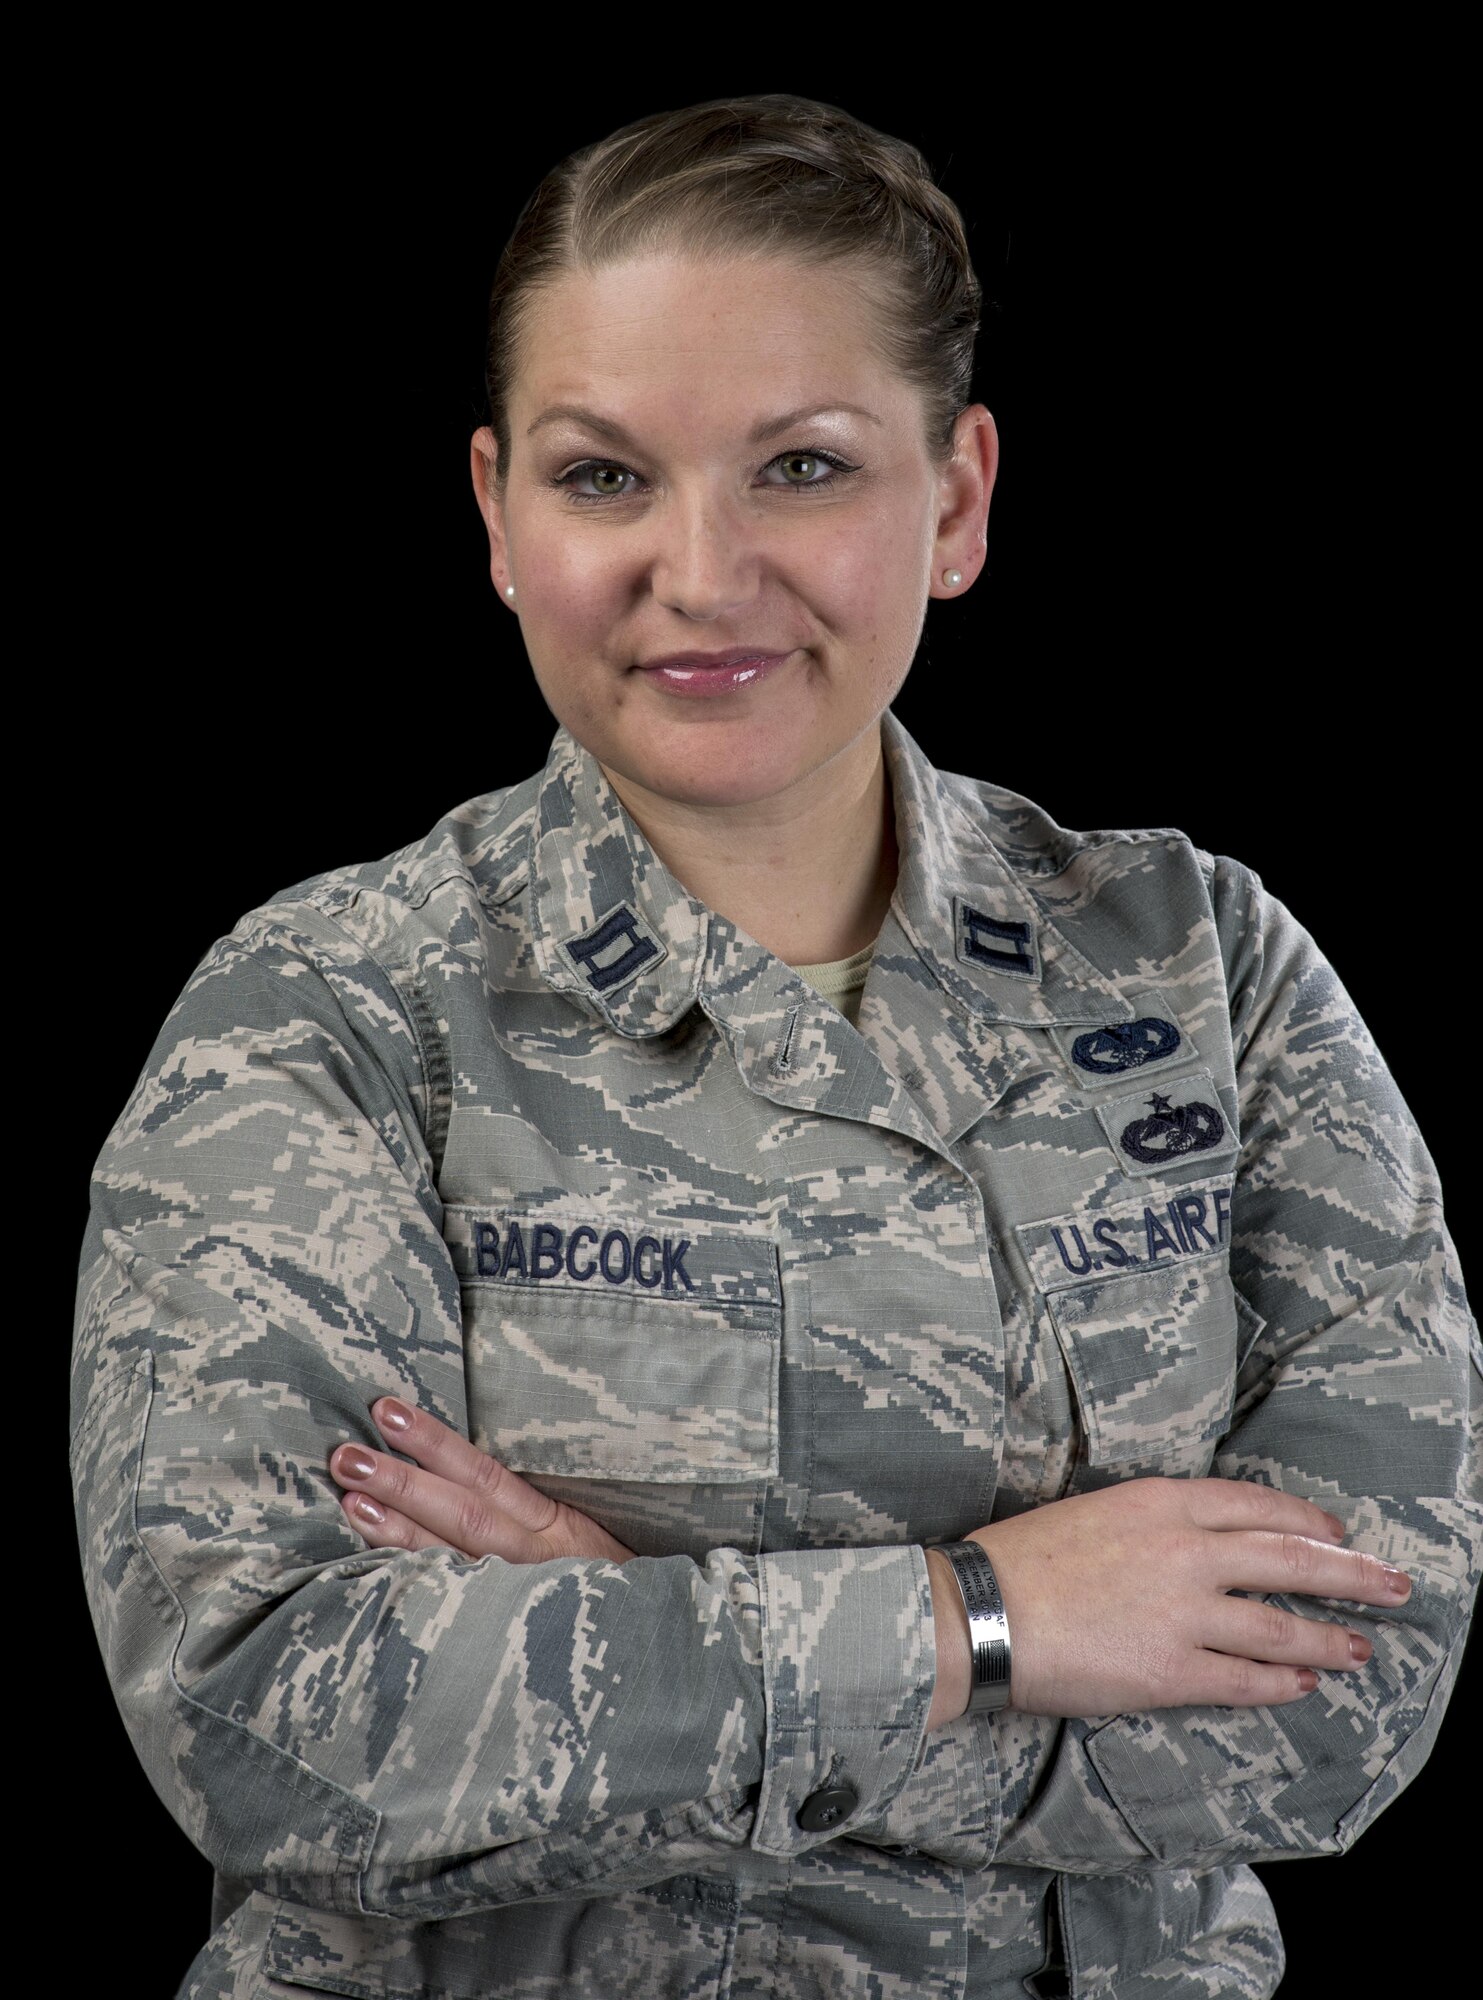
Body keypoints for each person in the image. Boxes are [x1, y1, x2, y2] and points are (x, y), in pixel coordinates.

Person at [70, 93, 1479, 2000]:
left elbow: (1347, 1700)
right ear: (495, 515)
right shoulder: (326, 1018)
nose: (704, 570)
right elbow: (266, 1728)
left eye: (801, 469)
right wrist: (980, 1624)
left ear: (959, 500)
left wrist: (614, 1635)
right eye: (603, 478)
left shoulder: (1202, 969)